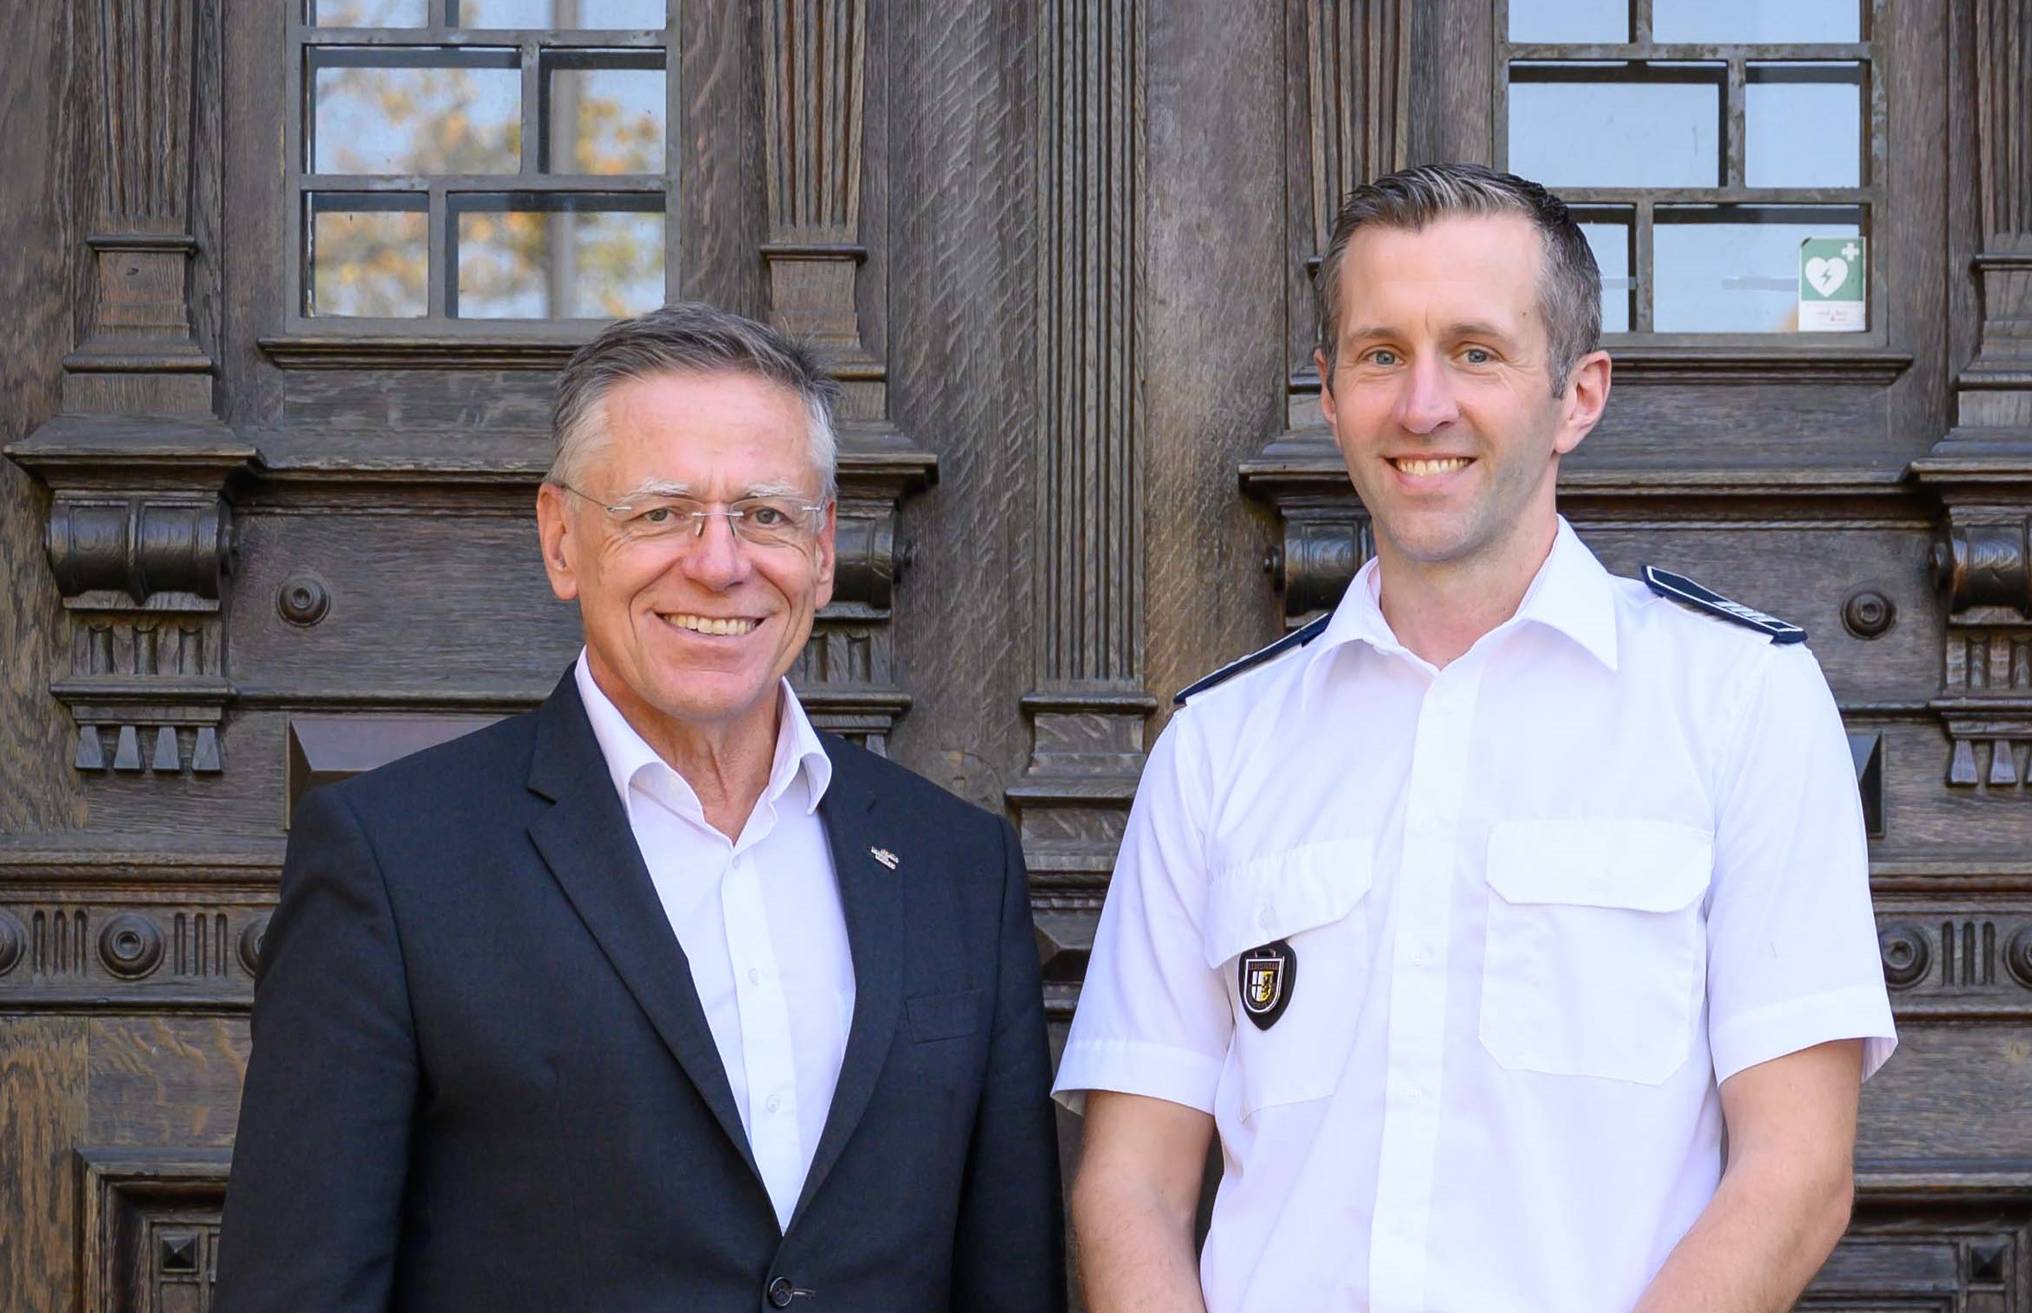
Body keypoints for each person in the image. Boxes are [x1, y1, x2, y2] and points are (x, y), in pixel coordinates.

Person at [1054, 164, 1896, 1313]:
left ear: (1579, 394)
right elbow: (1132, 1186)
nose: (1422, 405)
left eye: (1478, 352)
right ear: (1331, 389)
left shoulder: (1739, 701)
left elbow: (1796, 1172)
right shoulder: (1218, 745)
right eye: (1381, 353)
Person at [216, 302, 1065, 1312]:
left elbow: (1009, 1278)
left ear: (825, 547)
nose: (719, 560)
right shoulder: (394, 863)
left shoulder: (958, 865)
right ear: (562, 537)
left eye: (766, 512)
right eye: (661, 511)